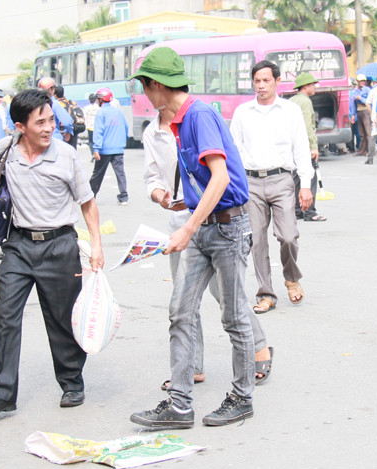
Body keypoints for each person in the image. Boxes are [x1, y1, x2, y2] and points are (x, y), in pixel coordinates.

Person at [0, 88, 104, 414]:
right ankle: (2, 394)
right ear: (20, 127)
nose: (49, 127)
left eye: (51, 120)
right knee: (5, 316)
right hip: (18, 245)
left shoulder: (65, 155)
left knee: (62, 320)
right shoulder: (6, 148)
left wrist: (96, 246)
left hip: (60, 245)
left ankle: (72, 382)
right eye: (40, 123)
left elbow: (87, 202)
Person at [128, 47, 256, 428]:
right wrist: (181, 207)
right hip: (203, 227)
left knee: (234, 318)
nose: (144, 96)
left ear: (155, 85)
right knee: (181, 312)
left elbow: (221, 178)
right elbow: (203, 183)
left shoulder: (198, 115)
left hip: (228, 229)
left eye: (144, 87)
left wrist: (187, 227)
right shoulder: (177, 121)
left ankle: (242, 397)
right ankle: (180, 403)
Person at [142, 107, 275, 389]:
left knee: (224, 294)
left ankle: (259, 346)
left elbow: (223, 173)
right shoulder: (151, 133)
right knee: (184, 299)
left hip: (216, 219)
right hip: (179, 219)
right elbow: (151, 177)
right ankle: (192, 366)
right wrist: (159, 195)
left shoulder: (197, 122)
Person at [230, 60, 313, 315]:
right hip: (251, 182)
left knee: (288, 236)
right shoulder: (243, 112)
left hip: (282, 180)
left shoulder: (289, 111)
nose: (261, 85)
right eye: (257, 81)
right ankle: (266, 293)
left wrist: (306, 185)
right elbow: (234, 148)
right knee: (257, 241)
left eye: (266, 80)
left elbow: (300, 147)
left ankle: (291, 277)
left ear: (277, 81)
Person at [289, 72, 326, 222]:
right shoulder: (305, 102)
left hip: (291, 144)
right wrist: (313, 146)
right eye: (312, 84)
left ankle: (298, 210)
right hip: (303, 144)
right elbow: (307, 126)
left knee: (298, 177)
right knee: (309, 175)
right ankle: (310, 211)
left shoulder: (292, 100)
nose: (314, 87)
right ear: (305, 86)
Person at [89, 87, 130, 205]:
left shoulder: (101, 113)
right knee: (120, 173)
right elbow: (126, 128)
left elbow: (98, 132)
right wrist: (122, 141)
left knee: (98, 174)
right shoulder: (118, 112)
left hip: (104, 150)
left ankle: (91, 195)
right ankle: (124, 197)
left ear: (101, 100)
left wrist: (96, 149)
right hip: (118, 149)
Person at [36, 77, 74, 143]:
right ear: (50, 90)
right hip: (54, 139)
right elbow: (67, 122)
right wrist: (68, 131)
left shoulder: (33, 104)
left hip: (37, 140)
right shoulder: (54, 104)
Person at [349, 73, 371, 157]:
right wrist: (353, 115)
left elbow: (368, 101)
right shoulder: (355, 91)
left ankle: (369, 150)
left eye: (363, 81)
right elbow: (353, 104)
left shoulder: (367, 90)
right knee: (361, 133)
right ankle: (362, 150)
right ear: (357, 81)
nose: (362, 82)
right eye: (360, 81)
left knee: (368, 132)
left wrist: (360, 98)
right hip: (358, 111)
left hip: (365, 110)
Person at [54, 85, 83, 149]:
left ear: (55, 95)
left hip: (63, 130)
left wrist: (67, 131)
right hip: (74, 128)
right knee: (73, 150)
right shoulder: (71, 102)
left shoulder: (57, 104)